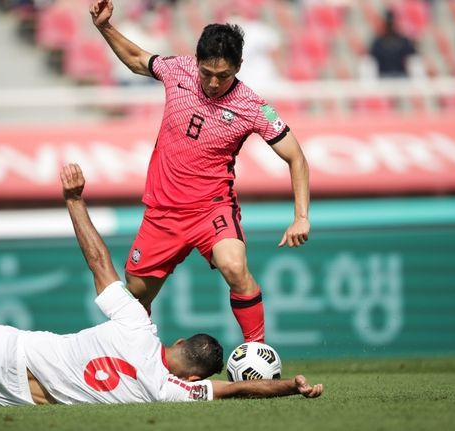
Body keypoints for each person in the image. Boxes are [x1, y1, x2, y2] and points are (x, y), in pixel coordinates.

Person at [0, 164, 323, 411]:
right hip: (11, 399)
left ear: (180, 341)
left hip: (9, 353)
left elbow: (99, 262)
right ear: (195, 379)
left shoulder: (137, 327)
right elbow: (242, 390)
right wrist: (291, 387)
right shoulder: (167, 392)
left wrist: (74, 200)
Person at [90, 0, 311, 343]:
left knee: (235, 267)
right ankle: (137, 359)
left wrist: (301, 216)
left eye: (223, 76)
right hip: (163, 213)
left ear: (239, 66)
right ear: (196, 62)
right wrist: (105, 27)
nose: (212, 83)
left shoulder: (254, 107)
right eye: (206, 73)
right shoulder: (176, 70)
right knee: (135, 297)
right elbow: (136, 59)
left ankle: (259, 352)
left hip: (212, 209)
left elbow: (296, 157)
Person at [368, 9, 417, 78]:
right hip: (383, 78)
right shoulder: (378, 42)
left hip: (401, 77)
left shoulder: (403, 41)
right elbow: (371, 59)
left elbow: (413, 56)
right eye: (388, 23)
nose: (390, 26)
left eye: (391, 23)